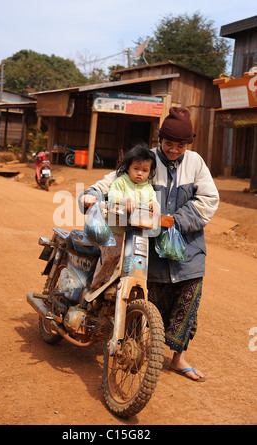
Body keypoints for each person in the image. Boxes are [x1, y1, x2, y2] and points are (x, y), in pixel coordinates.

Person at [79, 107, 219, 382]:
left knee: (187, 304)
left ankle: (178, 359)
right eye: (168, 144)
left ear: (188, 144)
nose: (174, 150)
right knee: (146, 301)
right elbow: (112, 180)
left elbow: (209, 200)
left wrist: (176, 221)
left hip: (188, 251)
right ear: (160, 140)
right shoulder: (146, 160)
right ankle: (138, 350)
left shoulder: (196, 163)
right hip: (148, 250)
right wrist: (91, 194)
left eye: (181, 145)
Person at [90, 143, 159, 289]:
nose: (140, 173)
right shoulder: (121, 182)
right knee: (110, 259)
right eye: (136, 169)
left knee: (134, 264)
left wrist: (156, 205)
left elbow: (153, 201)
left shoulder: (148, 188)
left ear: (150, 172)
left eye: (145, 170)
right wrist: (124, 201)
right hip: (116, 231)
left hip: (138, 235)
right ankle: (96, 285)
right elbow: (113, 196)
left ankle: (121, 289)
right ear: (128, 167)